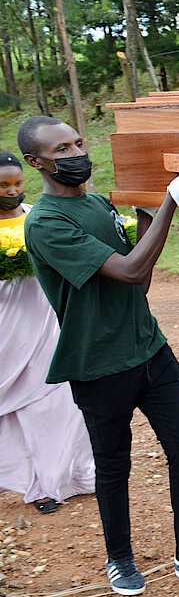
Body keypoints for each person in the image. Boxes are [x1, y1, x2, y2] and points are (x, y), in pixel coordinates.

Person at [19, 116, 179, 595]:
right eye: (61, 149)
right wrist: (170, 201)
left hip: (149, 349)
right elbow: (132, 271)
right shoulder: (47, 223)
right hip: (98, 364)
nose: (77, 153)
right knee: (114, 465)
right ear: (35, 161)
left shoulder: (99, 205)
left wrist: (145, 213)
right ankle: (119, 559)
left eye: (78, 142)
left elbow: (140, 281)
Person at [0, 151, 94, 515]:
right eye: (3, 186)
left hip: (45, 321)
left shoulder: (35, 216)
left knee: (55, 404)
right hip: (7, 330)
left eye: (17, 183)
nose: (13, 191)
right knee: (16, 411)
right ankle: (30, 480)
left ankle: (66, 478)